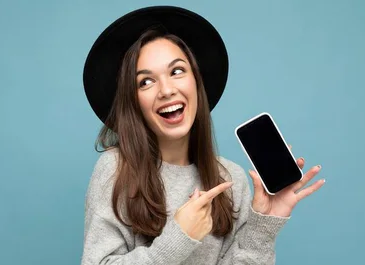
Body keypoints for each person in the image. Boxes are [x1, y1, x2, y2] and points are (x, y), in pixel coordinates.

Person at [80, 6, 325, 265]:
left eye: (176, 71)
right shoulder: (117, 169)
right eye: (146, 82)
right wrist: (179, 238)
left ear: (197, 83)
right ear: (134, 101)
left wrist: (263, 228)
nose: (166, 90)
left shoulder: (230, 180)